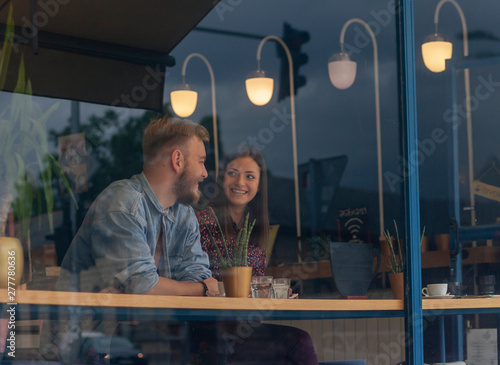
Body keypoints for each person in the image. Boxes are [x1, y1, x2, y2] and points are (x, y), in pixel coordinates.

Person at [56, 117, 219, 296]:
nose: (205, 173)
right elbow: (142, 287)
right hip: (88, 324)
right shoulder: (121, 204)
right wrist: (201, 289)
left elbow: (198, 275)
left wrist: (187, 288)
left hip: (151, 323)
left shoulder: (184, 214)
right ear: (178, 160)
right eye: (201, 161)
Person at [194, 147, 319, 365]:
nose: (240, 182)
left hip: (245, 328)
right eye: (233, 173)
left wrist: (272, 293)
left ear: (259, 185)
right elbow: (196, 279)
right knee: (300, 342)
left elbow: (253, 287)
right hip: (211, 332)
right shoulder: (202, 222)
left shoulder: (257, 231)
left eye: (250, 176)